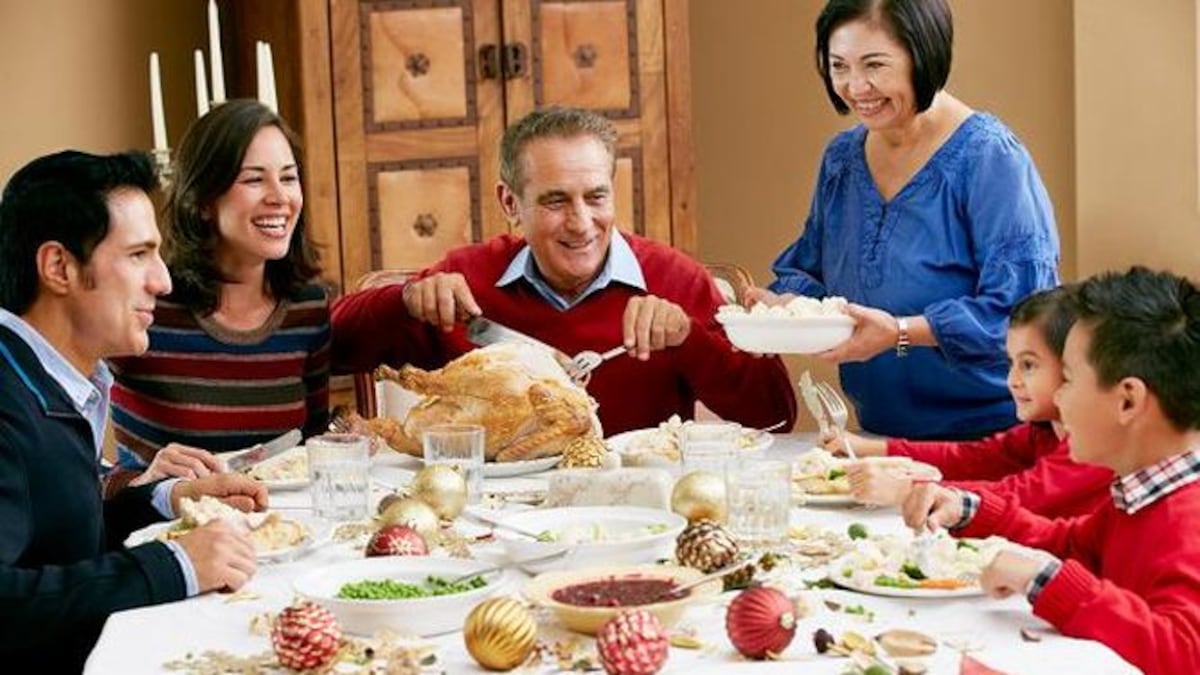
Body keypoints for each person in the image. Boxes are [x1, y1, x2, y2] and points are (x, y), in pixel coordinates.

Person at [332, 106, 797, 434]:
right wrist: (403, 301)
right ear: (510, 203)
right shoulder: (468, 278)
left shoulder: (676, 279)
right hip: (497, 515)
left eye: (596, 197)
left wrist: (689, 340)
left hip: (638, 513)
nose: (580, 223)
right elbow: (330, 347)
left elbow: (775, 416)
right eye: (555, 201)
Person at [0, 150, 266, 671]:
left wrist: (166, 498)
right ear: (58, 267)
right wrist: (174, 566)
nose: (162, 281)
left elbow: (58, 534)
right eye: (139, 254)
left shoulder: (52, 378)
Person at [753, 0, 1060, 439]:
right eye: (839, 66)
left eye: (874, 65)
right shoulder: (841, 159)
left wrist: (899, 332)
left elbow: (1023, 315)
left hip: (996, 439)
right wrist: (786, 308)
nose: (855, 87)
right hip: (881, 436)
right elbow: (810, 272)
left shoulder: (988, 157)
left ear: (923, 54)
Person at [902, 267, 1200, 675]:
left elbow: (1184, 652)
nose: (1059, 398)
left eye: (1069, 380)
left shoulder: (1188, 520)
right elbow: (1070, 543)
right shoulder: (1137, 497)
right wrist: (970, 509)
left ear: (1128, 400)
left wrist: (1048, 579)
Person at [106, 100, 331, 495]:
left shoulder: (307, 307)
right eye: (254, 180)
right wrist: (141, 482)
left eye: (289, 177)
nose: (280, 197)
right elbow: (72, 471)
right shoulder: (148, 303)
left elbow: (312, 444)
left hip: (281, 525)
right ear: (202, 201)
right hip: (164, 525)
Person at [836, 286, 1113, 519]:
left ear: (1073, 365)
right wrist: (875, 449)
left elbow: (1020, 495)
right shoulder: (1044, 431)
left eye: (1028, 365)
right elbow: (973, 457)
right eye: (1011, 363)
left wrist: (907, 489)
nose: (1012, 380)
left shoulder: (1094, 445)